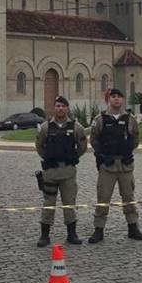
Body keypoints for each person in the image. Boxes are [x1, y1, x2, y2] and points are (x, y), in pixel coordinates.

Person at [88, 88, 142, 243]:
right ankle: (99, 229)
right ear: (109, 99)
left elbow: (135, 139)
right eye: (113, 97)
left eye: (119, 97)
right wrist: (102, 155)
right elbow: (94, 140)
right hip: (108, 165)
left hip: (125, 165)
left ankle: (133, 227)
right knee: (103, 197)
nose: (116, 99)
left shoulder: (130, 119)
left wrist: (126, 151)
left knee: (128, 197)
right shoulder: (100, 119)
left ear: (122, 99)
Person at [35, 95, 88, 247]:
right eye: (57, 106)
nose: (60, 108)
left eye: (62, 106)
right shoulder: (46, 127)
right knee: (48, 204)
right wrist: (49, 157)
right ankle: (44, 235)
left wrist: (72, 157)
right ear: (54, 108)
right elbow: (39, 146)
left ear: (67, 108)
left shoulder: (76, 127)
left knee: (69, 203)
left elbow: (82, 146)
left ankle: (72, 234)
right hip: (50, 172)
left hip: (68, 172)